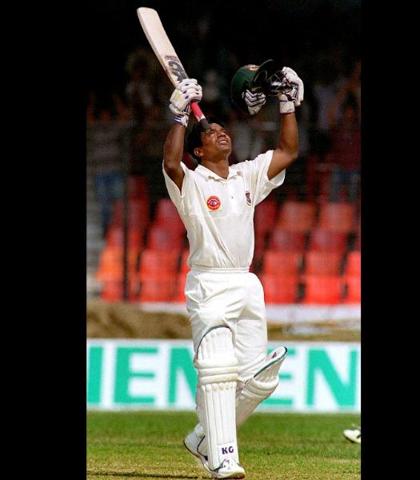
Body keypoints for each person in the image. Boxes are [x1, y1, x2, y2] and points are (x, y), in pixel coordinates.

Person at [160, 67, 304, 479]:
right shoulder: (189, 181)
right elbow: (171, 162)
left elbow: (288, 152)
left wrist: (287, 105)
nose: (221, 133)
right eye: (211, 133)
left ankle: (202, 436)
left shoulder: (246, 176)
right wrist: (179, 118)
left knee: (259, 380)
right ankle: (223, 457)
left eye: (224, 129)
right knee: (217, 368)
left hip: (246, 282)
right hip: (209, 282)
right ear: (199, 152)